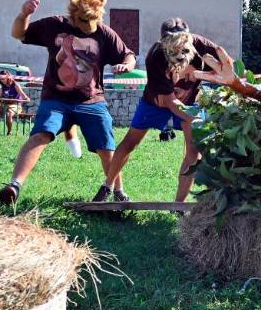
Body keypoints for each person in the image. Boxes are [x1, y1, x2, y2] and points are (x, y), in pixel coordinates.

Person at [0, 0, 136, 205]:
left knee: (106, 146)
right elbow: (19, 33)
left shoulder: (104, 33)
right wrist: (24, 14)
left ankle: (118, 192)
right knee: (40, 135)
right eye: (84, 20)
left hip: (91, 101)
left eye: (94, 20)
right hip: (56, 100)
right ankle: (14, 185)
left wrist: (126, 65)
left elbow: (128, 54)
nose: (89, 26)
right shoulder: (54, 25)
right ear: (72, 15)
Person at [92, 18, 217, 203]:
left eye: (183, 42)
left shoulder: (201, 46)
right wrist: (193, 119)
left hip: (190, 102)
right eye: (172, 44)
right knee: (130, 142)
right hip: (155, 102)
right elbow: (168, 101)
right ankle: (108, 186)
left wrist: (229, 82)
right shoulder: (156, 55)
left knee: (193, 152)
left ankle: (179, 205)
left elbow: (226, 63)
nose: (178, 48)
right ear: (163, 42)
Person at [0, 70, 31, 136]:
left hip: (16, 105)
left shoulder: (15, 85)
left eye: (3, 79)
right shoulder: (2, 85)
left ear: (8, 77)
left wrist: (27, 99)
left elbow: (24, 96)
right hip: (5, 105)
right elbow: (0, 96)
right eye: (0, 79)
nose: (1, 81)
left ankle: (9, 132)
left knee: (8, 113)